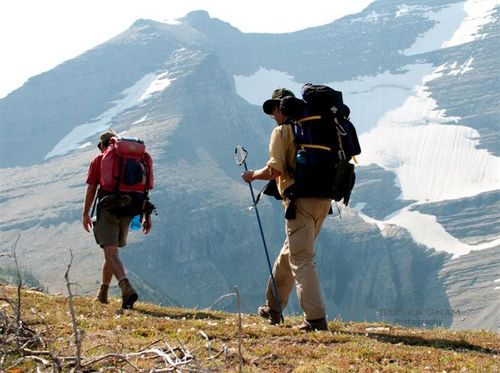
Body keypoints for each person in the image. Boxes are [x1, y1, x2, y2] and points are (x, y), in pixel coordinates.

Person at [241, 88, 331, 331]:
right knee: (290, 253)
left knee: (302, 258)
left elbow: (275, 171)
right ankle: (273, 306)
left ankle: (315, 319)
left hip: (300, 202)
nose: (273, 115)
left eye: (273, 110)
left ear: (280, 108)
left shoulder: (282, 132)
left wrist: (252, 176)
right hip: (324, 200)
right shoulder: (316, 128)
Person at [82, 130, 152, 309]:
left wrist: (85, 214)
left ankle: (125, 288)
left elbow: (91, 189)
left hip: (109, 209)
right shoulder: (137, 160)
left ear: (104, 145)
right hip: (130, 210)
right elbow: (143, 190)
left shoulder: (99, 161)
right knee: (111, 251)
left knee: (110, 252)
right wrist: (146, 217)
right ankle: (103, 293)